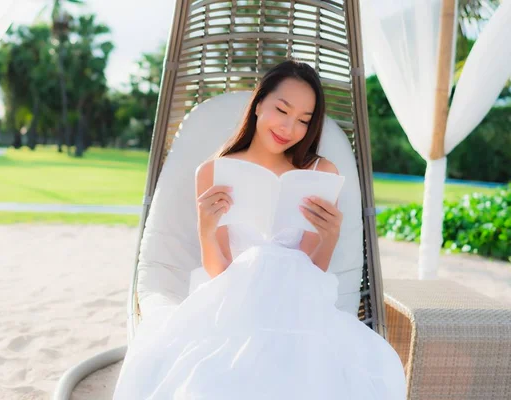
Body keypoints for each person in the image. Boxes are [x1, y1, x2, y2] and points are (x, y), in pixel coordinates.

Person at [112, 60, 406, 399]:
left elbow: (314, 270)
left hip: (297, 300)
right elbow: (217, 270)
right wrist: (206, 229)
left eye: (303, 121)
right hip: (233, 296)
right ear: (258, 103)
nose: (289, 127)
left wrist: (330, 236)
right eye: (282, 109)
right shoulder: (213, 170)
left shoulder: (318, 171)